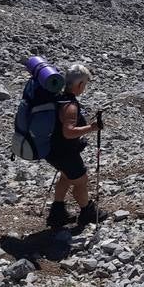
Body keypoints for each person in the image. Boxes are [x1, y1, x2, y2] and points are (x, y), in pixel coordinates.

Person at [45, 63, 103, 228]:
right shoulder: (70, 106)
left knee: (66, 176)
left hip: (52, 151)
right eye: (84, 84)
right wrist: (91, 128)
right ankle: (87, 212)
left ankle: (57, 213)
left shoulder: (58, 98)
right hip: (65, 153)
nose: (84, 88)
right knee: (80, 180)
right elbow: (68, 132)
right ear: (79, 84)